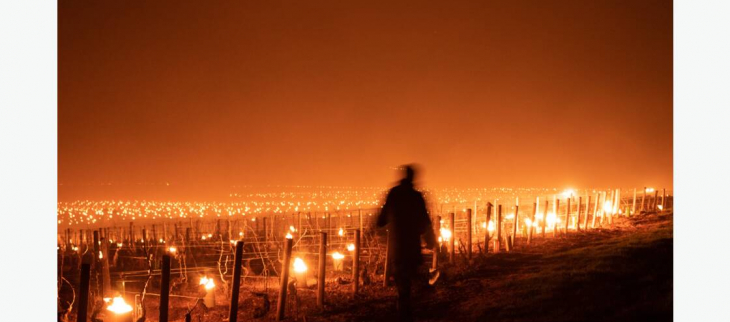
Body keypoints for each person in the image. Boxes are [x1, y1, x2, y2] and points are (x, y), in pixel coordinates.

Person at [377, 164, 437, 321]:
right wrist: (431, 241)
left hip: (397, 247)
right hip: (412, 247)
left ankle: (403, 310)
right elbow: (425, 222)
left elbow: (381, 220)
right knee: (409, 281)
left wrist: (381, 226)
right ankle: (407, 309)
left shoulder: (394, 194)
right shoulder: (416, 197)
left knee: (402, 283)